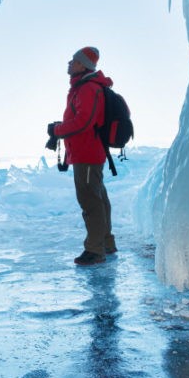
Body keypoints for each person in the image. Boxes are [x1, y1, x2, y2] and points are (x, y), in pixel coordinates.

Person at [47, 46, 117, 266]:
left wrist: (57, 130)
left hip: (86, 152)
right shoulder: (85, 87)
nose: (69, 63)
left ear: (82, 65)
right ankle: (106, 243)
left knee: (90, 201)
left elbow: (84, 122)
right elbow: (85, 119)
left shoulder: (87, 88)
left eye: (73, 60)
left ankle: (95, 251)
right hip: (88, 150)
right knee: (98, 197)